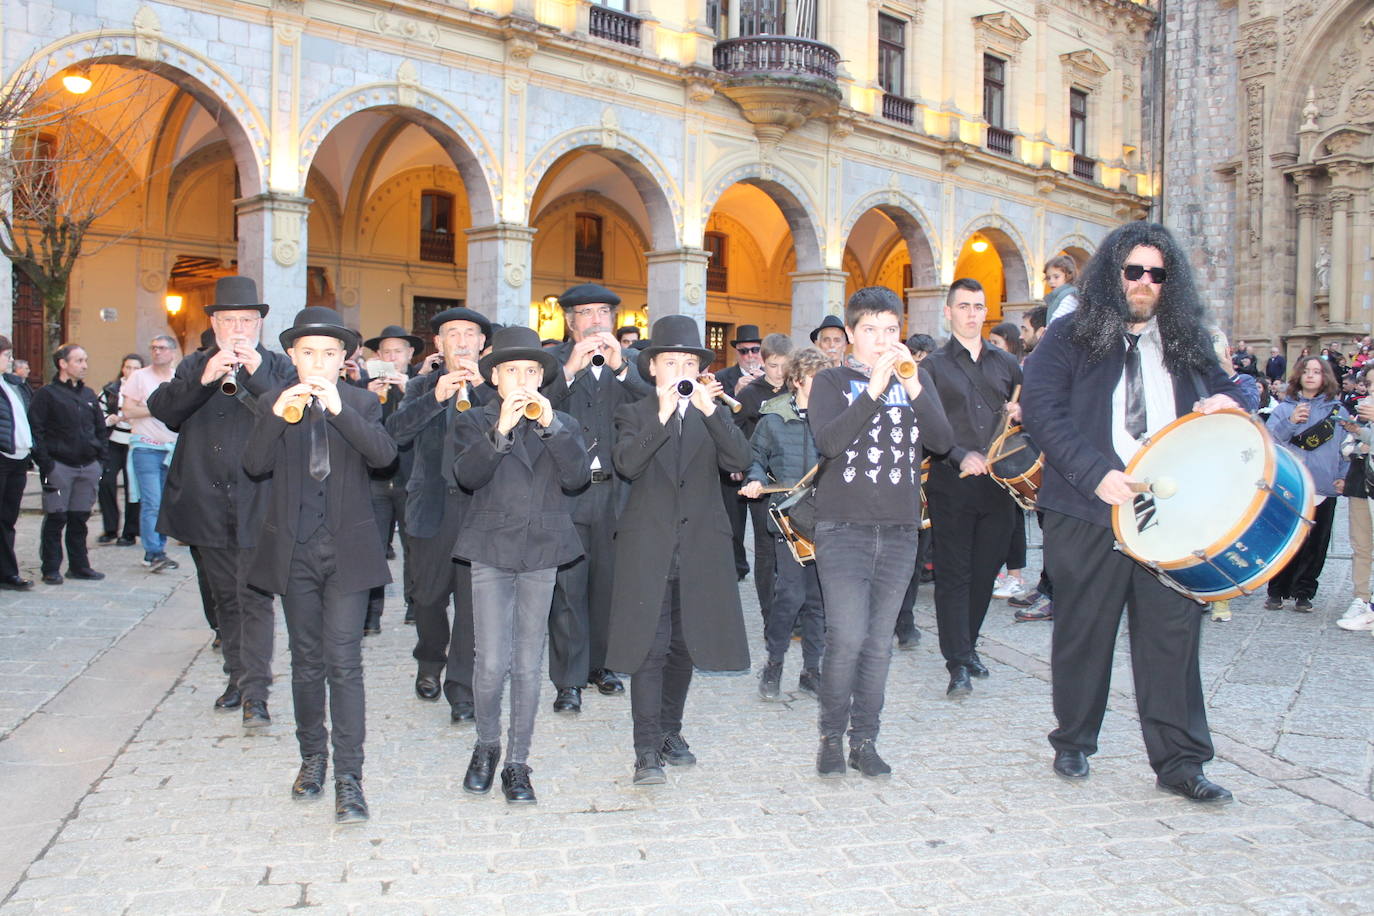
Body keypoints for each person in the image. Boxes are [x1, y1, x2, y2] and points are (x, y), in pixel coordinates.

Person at [1022, 220, 1241, 804]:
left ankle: (1181, 763)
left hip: (1172, 516)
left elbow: (1235, 389)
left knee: (1173, 639)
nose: (1144, 282)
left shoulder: (1187, 338)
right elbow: (1043, 413)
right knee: (1083, 632)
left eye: (1157, 273)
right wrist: (1098, 476)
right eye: (1134, 271)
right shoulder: (1066, 335)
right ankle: (1073, 740)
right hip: (1087, 508)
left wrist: (1230, 402)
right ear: (1112, 276)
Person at [243, 307, 397, 825]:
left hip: (348, 553)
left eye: (329, 354)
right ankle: (312, 759)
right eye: (308, 352)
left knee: (344, 662)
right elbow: (255, 465)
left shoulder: (359, 401)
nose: (318, 362)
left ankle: (350, 777)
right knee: (306, 661)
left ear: (344, 359)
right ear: (291, 356)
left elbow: (383, 457)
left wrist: (340, 411)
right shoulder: (273, 401)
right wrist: (273, 415)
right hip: (294, 552)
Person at [808, 287, 953, 779]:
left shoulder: (918, 379)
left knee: (878, 643)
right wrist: (874, 387)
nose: (881, 340)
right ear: (851, 335)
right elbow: (828, 443)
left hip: (899, 531)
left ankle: (864, 741)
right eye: (870, 330)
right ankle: (830, 737)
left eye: (890, 331)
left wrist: (911, 384)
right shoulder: (832, 382)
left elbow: (943, 440)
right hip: (842, 528)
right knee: (845, 637)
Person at [605, 315, 752, 786]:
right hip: (648, 546)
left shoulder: (713, 412)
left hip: (701, 548)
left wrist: (711, 412)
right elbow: (627, 464)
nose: (681, 369)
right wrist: (662, 416)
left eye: (689, 361)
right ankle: (645, 749)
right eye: (671, 362)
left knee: (684, 646)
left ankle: (671, 730)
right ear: (652, 368)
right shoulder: (634, 412)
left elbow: (740, 460)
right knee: (651, 647)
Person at [148, 276, 297, 725]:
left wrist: (256, 376)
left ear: (258, 324)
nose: (237, 328)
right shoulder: (193, 365)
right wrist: (203, 379)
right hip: (204, 501)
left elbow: (291, 415)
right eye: (229, 320)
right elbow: (165, 412)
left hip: (259, 500)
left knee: (254, 598)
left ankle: (256, 691)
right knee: (222, 599)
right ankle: (237, 676)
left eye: (246, 320)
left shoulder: (277, 366)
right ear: (213, 323)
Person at [453, 326, 589, 804]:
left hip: (542, 551)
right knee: (491, 663)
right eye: (513, 370)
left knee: (528, 664)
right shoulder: (475, 418)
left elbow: (576, 479)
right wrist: (501, 432)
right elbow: (467, 475)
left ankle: (518, 762)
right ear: (495, 378)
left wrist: (551, 427)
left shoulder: (562, 422)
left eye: (531, 371)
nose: (523, 379)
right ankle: (487, 744)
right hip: (491, 549)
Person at [545, 283, 651, 713]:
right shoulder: (551, 362)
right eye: (585, 313)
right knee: (568, 589)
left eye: (603, 313)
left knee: (609, 587)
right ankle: (568, 680)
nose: (595, 321)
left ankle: (601, 667)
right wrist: (568, 371)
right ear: (570, 322)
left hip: (617, 493)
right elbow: (538, 409)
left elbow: (654, 406)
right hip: (566, 494)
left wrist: (623, 368)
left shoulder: (629, 365)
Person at [385, 306, 491, 723]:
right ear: (439, 343)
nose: (462, 341)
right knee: (427, 598)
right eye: (453, 334)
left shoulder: (496, 388)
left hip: (479, 509)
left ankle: (461, 688)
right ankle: (430, 662)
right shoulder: (421, 387)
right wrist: (435, 397)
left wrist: (482, 390)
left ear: (483, 343)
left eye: (470, 334)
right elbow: (395, 432)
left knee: (471, 605)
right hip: (430, 507)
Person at [922, 281, 1023, 697]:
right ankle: (957, 660)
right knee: (953, 575)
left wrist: (1023, 411)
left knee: (984, 574)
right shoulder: (932, 367)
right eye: (963, 306)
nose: (971, 314)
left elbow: (1025, 417)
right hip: (953, 483)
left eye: (978, 307)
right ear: (948, 312)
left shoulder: (1007, 364)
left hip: (999, 485)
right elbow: (927, 427)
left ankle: (969, 644)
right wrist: (959, 454)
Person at [739, 346, 827, 700]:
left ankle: (812, 671)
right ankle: (773, 665)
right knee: (789, 596)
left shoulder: (835, 419)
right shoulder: (773, 419)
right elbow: (754, 458)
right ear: (797, 380)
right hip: (789, 518)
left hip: (826, 519)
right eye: (815, 379)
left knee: (819, 600)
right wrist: (756, 478)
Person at [1263, 355, 1350, 612]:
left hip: (1323, 484)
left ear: (1325, 377)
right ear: (1298, 375)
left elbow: (1346, 447)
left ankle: (1304, 590)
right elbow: (1270, 442)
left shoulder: (1338, 411)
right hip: (1291, 484)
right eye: (1307, 371)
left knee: (1316, 543)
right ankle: (1277, 589)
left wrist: (1342, 475)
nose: (1311, 375)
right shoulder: (1283, 409)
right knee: (1285, 539)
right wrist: (1291, 424)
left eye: (1317, 371)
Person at [360, 325, 422, 636]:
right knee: (372, 547)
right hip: (375, 478)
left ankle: (414, 604)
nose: (391, 357)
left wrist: (407, 389)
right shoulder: (366, 386)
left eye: (398, 351)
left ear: (410, 355)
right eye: (386, 352)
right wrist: (367, 399)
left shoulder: (421, 385)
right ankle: (371, 614)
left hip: (410, 478)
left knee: (413, 545)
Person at [29, 344, 106, 585]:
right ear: (63, 363)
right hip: (59, 466)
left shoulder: (89, 395)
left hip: (88, 466)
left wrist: (100, 461)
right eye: (79, 360)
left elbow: (100, 429)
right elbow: (37, 431)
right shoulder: (47, 394)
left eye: (85, 360)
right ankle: (51, 568)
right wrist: (47, 464)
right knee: (56, 518)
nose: (84, 366)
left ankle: (79, 566)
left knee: (80, 518)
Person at [736, 333, 793, 624]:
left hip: (793, 480)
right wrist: (740, 465)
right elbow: (733, 430)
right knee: (766, 549)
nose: (779, 373)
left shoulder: (798, 390)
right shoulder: (750, 394)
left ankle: (792, 612)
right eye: (772, 365)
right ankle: (770, 615)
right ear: (762, 361)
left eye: (785, 366)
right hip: (761, 481)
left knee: (793, 549)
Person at [120, 336, 180, 572]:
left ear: (173, 352)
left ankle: (159, 548)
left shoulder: (179, 377)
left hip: (172, 448)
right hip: (145, 447)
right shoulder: (139, 377)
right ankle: (153, 552)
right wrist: (156, 408)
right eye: (153, 348)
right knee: (152, 501)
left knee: (165, 503)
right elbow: (128, 410)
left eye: (162, 348)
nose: (157, 352)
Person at [714, 324, 764, 582]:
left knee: (765, 522)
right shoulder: (722, 377)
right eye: (744, 351)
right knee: (733, 521)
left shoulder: (773, 376)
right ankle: (736, 566)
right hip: (732, 458)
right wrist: (736, 393)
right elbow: (715, 417)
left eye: (755, 350)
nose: (750, 356)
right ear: (737, 353)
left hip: (763, 458)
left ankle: (767, 569)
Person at [1339, 374, 1374, 632]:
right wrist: (1362, 440)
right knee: (1361, 545)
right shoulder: (1361, 414)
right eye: (1371, 383)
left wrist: (1364, 440)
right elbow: (1347, 448)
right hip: (1361, 486)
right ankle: (1361, 598)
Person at [96, 353, 143, 547]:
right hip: (114, 442)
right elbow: (98, 415)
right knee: (105, 482)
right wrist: (111, 419)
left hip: (136, 441)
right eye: (128, 367)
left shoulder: (146, 388)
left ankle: (130, 532)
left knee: (133, 487)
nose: (131, 371)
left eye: (136, 368)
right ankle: (110, 528)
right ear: (122, 369)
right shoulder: (110, 390)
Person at [0, 337, 35, 590]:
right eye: (7, 354)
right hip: (2, 457)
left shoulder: (14, 385)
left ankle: (6, 572)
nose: (11, 360)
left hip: (18, 459)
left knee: (8, 518)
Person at [1043, 255, 1080, 323]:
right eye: (1048, 278)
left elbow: (1055, 323)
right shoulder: (1055, 297)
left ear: (1068, 276)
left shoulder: (1070, 296)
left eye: (1056, 277)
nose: (1051, 281)